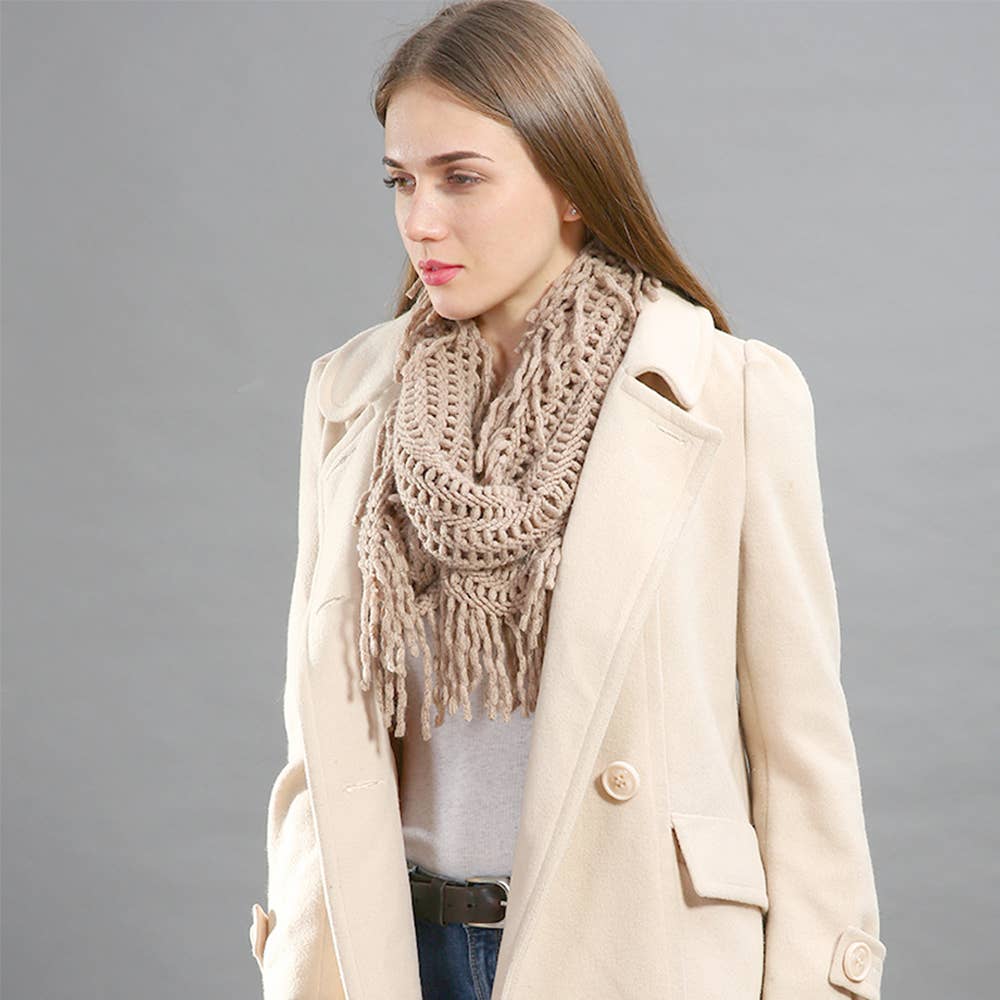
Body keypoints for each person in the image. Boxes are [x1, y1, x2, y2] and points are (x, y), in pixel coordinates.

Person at [249, 2, 887, 999]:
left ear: (572, 182)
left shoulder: (726, 394)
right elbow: (317, 734)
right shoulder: (351, 397)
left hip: (636, 951)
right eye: (401, 180)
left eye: (460, 177)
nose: (421, 220)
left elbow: (801, 751)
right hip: (396, 954)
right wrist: (301, 941)